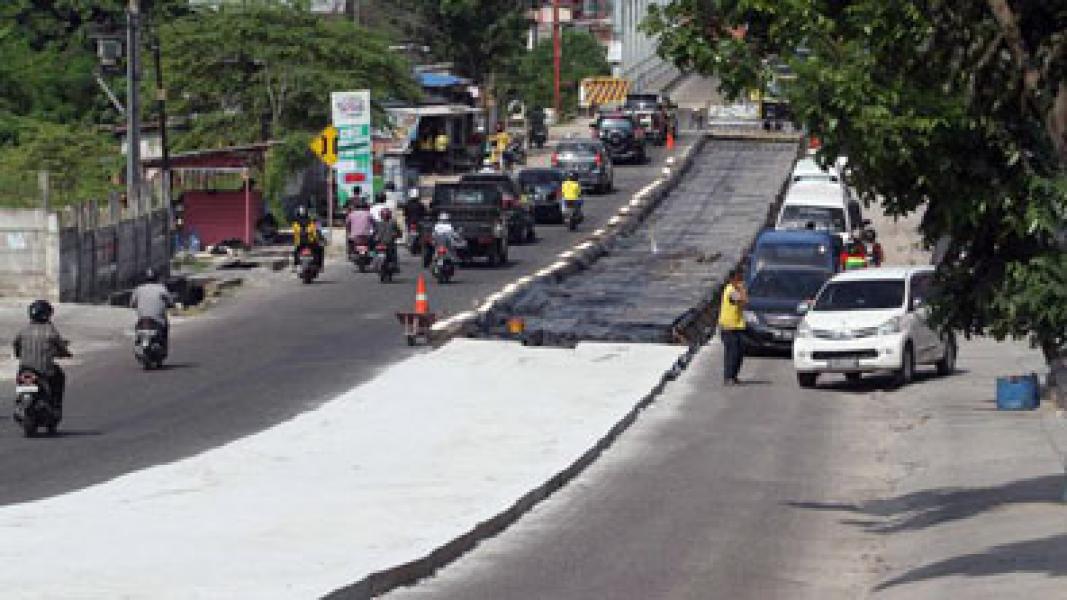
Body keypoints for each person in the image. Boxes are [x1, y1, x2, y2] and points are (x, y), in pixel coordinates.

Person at [13, 300, 71, 418]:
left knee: (20, 379)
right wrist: (66, 353)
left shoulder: (23, 330)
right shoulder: (51, 330)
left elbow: (16, 345)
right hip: (44, 370)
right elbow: (61, 346)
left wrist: (19, 354)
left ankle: (20, 404)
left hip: (24, 369)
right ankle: (56, 405)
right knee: (59, 377)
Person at [130, 268, 176, 346]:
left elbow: (132, 304)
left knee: (137, 328)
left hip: (142, 319)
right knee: (165, 325)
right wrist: (171, 305)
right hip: (157, 320)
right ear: (157, 278)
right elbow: (170, 301)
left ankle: (138, 342)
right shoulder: (161, 288)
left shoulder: (138, 289)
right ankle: (163, 344)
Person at [718, 268, 748, 385]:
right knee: (732, 353)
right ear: (732, 279)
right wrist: (742, 289)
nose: (740, 280)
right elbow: (744, 300)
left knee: (738, 353)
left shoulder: (734, 289)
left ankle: (734, 376)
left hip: (737, 326)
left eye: (741, 278)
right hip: (728, 328)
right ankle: (728, 377)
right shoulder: (730, 291)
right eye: (738, 278)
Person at [291, 205, 324, 270]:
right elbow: (313, 231)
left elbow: (295, 231)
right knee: (320, 250)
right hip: (309, 242)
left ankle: (295, 265)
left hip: (301, 242)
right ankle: (320, 266)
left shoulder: (296, 222)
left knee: (295, 252)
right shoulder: (309, 221)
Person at [374, 207, 402, 272]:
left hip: (381, 243)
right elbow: (399, 232)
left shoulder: (378, 223)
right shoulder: (393, 222)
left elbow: (374, 233)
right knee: (394, 255)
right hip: (388, 243)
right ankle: (394, 265)